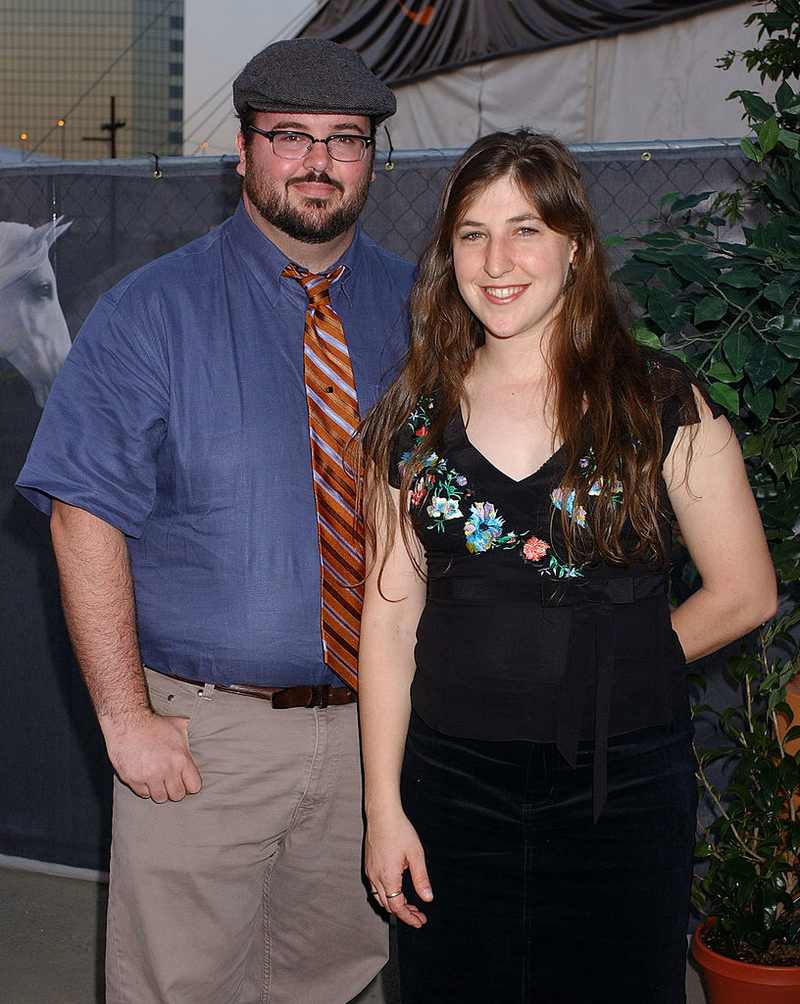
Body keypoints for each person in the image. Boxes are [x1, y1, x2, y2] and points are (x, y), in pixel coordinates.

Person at [16, 37, 415, 1004]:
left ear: (371, 161)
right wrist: (127, 719)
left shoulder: (423, 308)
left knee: (333, 979)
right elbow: (83, 516)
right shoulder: (149, 312)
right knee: (178, 987)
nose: (318, 160)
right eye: (290, 136)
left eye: (346, 139)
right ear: (242, 152)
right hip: (205, 739)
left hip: (379, 729)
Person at [356, 130, 777, 1003]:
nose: (497, 260)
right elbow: (391, 624)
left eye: (525, 229)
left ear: (574, 246)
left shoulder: (662, 402)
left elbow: (745, 593)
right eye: (473, 233)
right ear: (449, 256)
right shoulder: (408, 421)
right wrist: (383, 811)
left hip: (621, 790)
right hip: (451, 786)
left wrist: (612, 661)